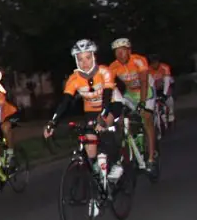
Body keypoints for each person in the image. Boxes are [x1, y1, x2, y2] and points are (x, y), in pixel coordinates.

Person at [44, 39, 125, 183]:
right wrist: (52, 122)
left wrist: (103, 116)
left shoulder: (104, 71)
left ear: (94, 57)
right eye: (80, 59)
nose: (84, 63)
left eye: (88, 57)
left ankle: (116, 163)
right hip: (91, 109)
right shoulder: (74, 79)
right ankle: (99, 177)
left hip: (112, 104)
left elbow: (107, 97)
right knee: (90, 147)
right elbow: (65, 102)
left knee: (103, 126)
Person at [108, 38, 157, 166]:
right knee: (120, 119)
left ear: (129, 51)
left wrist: (142, 103)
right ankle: (129, 143)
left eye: (122, 51)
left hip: (146, 90)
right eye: (117, 51)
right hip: (130, 93)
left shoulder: (139, 60)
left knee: (146, 118)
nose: (120, 54)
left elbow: (144, 82)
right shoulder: (113, 66)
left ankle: (151, 157)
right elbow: (108, 87)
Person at [147, 54, 175, 127]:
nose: (154, 65)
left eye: (156, 62)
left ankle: (171, 113)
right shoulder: (148, 69)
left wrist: (164, 94)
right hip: (155, 86)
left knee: (168, 96)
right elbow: (149, 83)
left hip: (165, 84)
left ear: (159, 62)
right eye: (153, 63)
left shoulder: (165, 67)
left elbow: (167, 81)